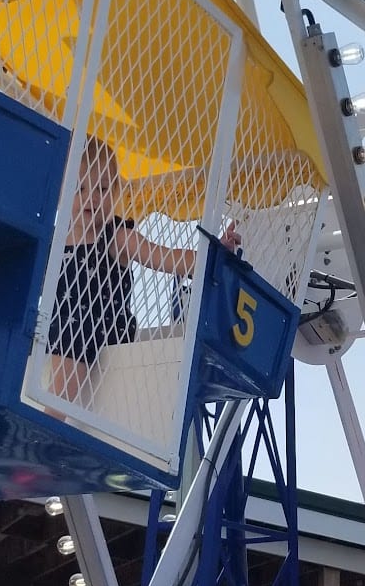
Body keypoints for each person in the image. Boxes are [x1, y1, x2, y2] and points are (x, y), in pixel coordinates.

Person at [45, 137, 239, 405]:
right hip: (57, 328)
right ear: (61, 194)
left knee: (73, 332)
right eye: (80, 189)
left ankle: (53, 412)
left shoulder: (116, 237)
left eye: (101, 189)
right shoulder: (53, 242)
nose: (91, 198)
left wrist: (216, 254)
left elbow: (163, 258)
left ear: (114, 193)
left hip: (99, 330)